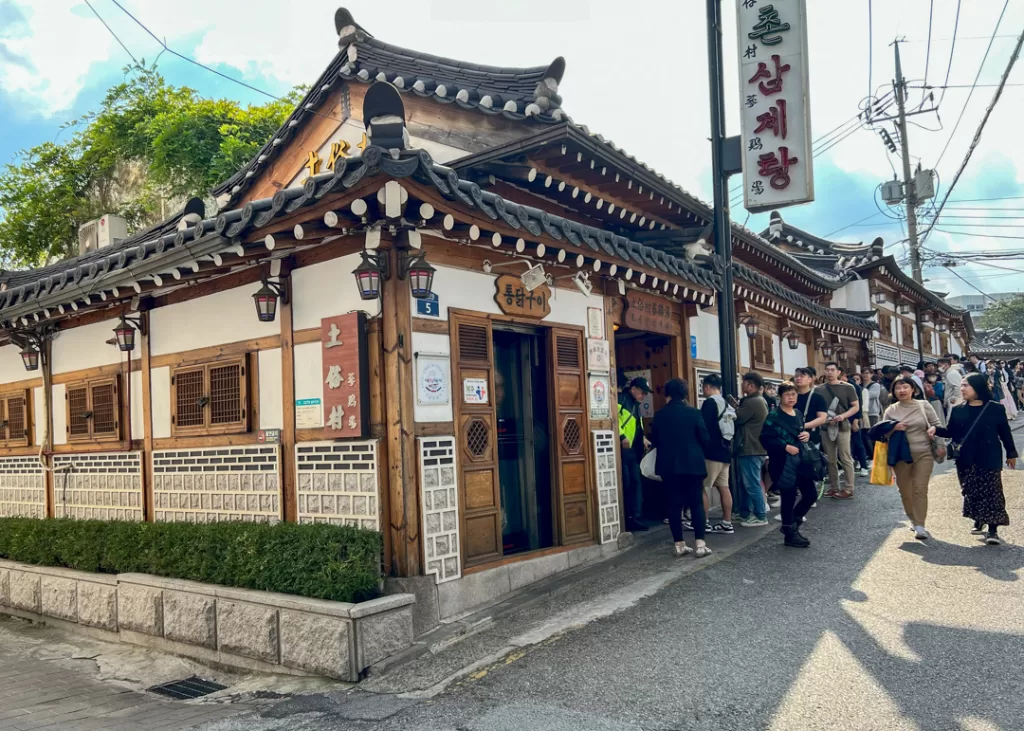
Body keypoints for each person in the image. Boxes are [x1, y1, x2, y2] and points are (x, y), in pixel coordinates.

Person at [936, 373, 1018, 545]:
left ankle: (993, 529)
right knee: (971, 491)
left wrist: (1011, 453)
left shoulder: (995, 408)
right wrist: (933, 430)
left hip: (989, 456)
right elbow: (950, 432)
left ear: (978, 387)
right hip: (965, 458)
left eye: (966, 385)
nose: (962, 388)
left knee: (992, 492)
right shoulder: (958, 409)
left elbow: (1004, 433)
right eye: (962, 385)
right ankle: (979, 519)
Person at [651, 378, 712, 557]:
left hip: (668, 466)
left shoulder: (660, 415)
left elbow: (655, 440)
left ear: (667, 394)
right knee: (696, 504)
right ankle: (700, 544)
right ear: (685, 394)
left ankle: (679, 545)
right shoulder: (694, 413)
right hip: (693, 465)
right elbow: (705, 438)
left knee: (674, 504)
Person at [881, 375, 942, 540]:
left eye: (905, 387)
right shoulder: (891, 410)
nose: (901, 390)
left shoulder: (924, 405)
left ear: (913, 390)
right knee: (905, 491)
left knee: (920, 488)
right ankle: (913, 519)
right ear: (893, 391)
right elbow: (882, 433)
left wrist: (934, 431)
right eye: (898, 388)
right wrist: (894, 427)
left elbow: (937, 424)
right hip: (901, 455)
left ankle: (920, 524)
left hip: (924, 452)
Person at [761, 382, 817, 548]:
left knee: (810, 494)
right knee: (788, 497)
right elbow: (765, 438)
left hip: (801, 460)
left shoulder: (798, 413)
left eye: (794, 394)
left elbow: (801, 431)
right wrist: (784, 446)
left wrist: (806, 434)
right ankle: (790, 533)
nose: (791, 397)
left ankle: (791, 524)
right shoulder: (774, 416)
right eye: (787, 395)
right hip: (782, 461)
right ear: (780, 397)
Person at [815, 362, 860, 499]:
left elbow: (855, 406)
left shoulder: (848, 388)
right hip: (825, 426)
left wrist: (843, 416)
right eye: (827, 370)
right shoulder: (819, 389)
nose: (829, 372)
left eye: (832, 370)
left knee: (845, 457)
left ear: (838, 372)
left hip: (843, 426)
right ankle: (834, 487)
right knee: (830, 459)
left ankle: (849, 488)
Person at [699, 374, 734, 534]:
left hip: (711, 452)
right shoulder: (727, 404)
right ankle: (727, 522)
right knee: (724, 487)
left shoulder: (709, 403)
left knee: (702, 487)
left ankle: (704, 522)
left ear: (707, 387)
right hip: (725, 450)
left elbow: (703, 427)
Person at [733, 372, 769, 527]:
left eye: (743, 383)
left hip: (751, 447)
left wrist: (734, 407)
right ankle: (745, 513)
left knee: (751, 483)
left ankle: (760, 515)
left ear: (751, 385)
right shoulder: (759, 401)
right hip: (756, 447)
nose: (741, 385)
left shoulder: (753, 402)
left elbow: (737, 418)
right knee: (746, 482)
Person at [618, 376, 651, 532]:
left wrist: (642, 438)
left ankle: (635, 516)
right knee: (628, 483)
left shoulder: (635, 405)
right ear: (634, 389)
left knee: (636, 483)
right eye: (642, 392)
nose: (643, 396)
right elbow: (614, 419)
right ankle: (628, 518)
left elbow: (636, 425)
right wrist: (622, 436)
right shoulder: (622, 399)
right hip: (623, 451)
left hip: (633, 451)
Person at [849, 372, 870, 476]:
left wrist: (856, 420)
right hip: (842, 420)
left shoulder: (856, 388)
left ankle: (863, 465)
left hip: (854, 418)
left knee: (858, 442)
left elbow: (860, 405)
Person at [940, 355, 965, 420]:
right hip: (952, 400)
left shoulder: (951, 374)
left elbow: (957, 387)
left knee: (952, 419)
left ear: (945, 365)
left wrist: (954, 398)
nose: (939, 367)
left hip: (954, 401)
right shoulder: (949, 373)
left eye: (940, 365)